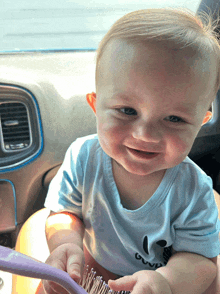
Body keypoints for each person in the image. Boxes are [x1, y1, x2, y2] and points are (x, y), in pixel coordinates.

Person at [43, 8, 220, 294]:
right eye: (127, 111)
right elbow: (64, 212)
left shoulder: (194, 190)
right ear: (95, 106)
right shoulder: (82, 158)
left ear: (200, 123)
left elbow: (200, 260)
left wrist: (166, 281)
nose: (145, 135)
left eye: (174, 119)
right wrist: (65, 244)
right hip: (91, 273)